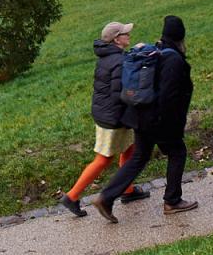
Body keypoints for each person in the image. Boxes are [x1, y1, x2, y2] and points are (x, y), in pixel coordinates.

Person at [95, 14, 198, 222]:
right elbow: (169, 98)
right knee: (177, 151)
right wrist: (173, 126)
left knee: (139, 157)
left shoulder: (156, 50)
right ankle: (172, 200)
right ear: (181, 36)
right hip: (157, 119)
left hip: (140, 115)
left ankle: (106, 197)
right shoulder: (174, 60)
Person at [58, 21, 150, 217]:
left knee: (129, 149)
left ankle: (127, 189)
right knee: (103, 159)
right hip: (114, 117)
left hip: (104, 112)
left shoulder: (108, 57)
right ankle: (72, 196)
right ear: (117, 39)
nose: (129, 35)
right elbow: (121, 92)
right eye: (125, 33)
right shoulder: (118, 61)